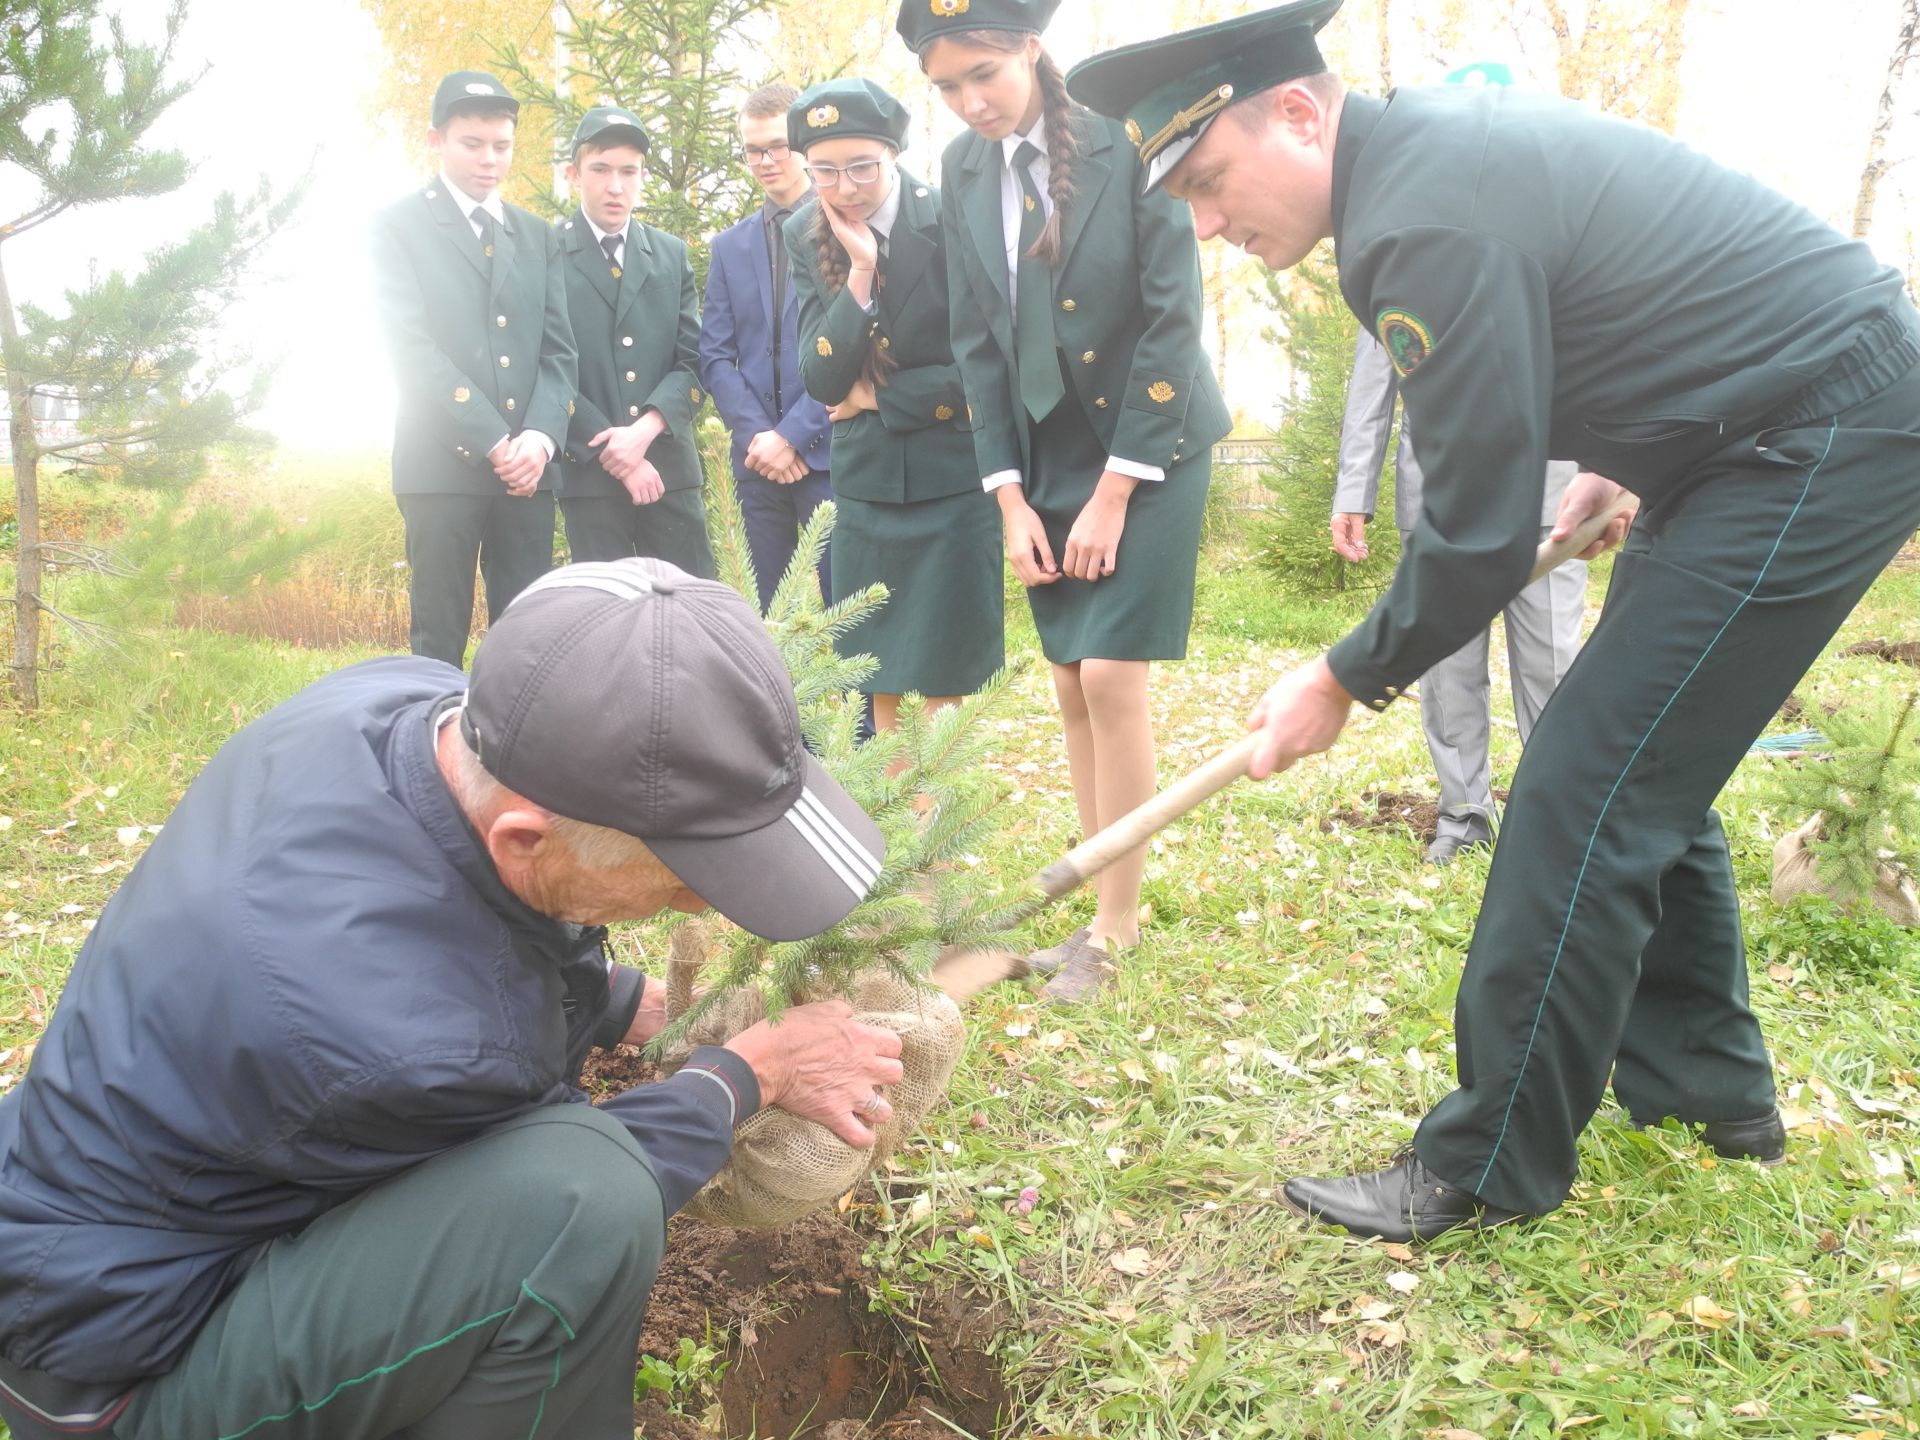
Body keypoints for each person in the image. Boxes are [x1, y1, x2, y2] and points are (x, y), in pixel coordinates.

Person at [1067, 0, 1920, 1242]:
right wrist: (1621, 456)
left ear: (1298, 114)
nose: (1205, 226)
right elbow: (1620, 291)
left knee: (1586, 786)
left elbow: (1468, 536)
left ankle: (1486, 1159)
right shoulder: (1422, 165)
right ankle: (1710, 1096)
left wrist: (1342, 675)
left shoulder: (1417, 215)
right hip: (1746, 433)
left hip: (1811, 436)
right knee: (1633, 763)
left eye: (1209, 181)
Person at [0, 558, 902, 1439]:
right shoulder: (412, 1043)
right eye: (678, 878)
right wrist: (748, 1075)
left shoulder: (401, 703)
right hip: (117, 1374)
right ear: (525, 834)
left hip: (82, 1222)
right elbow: (567, 1177)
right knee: (583, 1213)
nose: (699, 901)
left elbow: (485, 915)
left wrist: (639, 1005)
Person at [898, 0, 1232, 1003]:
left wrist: (1118, 490)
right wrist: (1008, 497)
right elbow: (976, 342)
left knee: (1114, 680)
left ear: (1032, 50)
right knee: (1068, 686)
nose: (968, 104)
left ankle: (1115, 928)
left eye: (983, 76)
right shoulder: (959, 173)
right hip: (1041, 463)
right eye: (947, 87)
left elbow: (1175, 320)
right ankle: (1096, 899)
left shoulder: (1125, 137)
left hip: (1148, 442)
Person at [783, 79, 1004, 738]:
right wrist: (859, 273)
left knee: (944, 672)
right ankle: (895, 837)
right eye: (824, 170)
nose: (845, 186)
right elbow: (822, 377)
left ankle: (932, 833)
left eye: (862, 166)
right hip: (870, 485)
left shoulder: (949, 215)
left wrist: (880, 395)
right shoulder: (806, 230)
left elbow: (986, 361)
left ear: (894, 155)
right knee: (875, 671)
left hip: (953, 477)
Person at [1333, 328, 1587, 864]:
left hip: (1546, 485)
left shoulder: (1547, 246)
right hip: (1437, 492)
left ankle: (1558, 817)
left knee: (1554, 665)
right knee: (1447, 671)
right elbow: (1374, 379)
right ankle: (1465, 814)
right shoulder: (1389, 253)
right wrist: (1354, 490)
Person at [372, 70, 576, 667]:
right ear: (435, 140)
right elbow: (410, 349)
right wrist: (494, 440)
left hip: (528, 476)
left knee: (526, 642)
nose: (490, 159)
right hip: (439, 468)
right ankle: (429, 759)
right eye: (473, 143)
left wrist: (537, 440)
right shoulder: (397, 226)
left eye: (502, 146)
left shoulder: (537, 235)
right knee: (437, 640)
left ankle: (512, 760)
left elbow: (559, 353)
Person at [553, 106, 716, 577]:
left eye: (628, 171)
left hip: (669, 472)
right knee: (607, 623)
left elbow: (693, 361)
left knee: (688, 612)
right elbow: (546, 367)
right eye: (600, 170)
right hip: (590, 478)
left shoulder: (669, 254)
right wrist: (618, 457)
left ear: (643, 175)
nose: (615, 186)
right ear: (574, 175)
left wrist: (643, 432)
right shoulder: (547, 254)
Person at [700, 83, 834, 614]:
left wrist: (795, 436)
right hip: (757, 464)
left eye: (778, 145)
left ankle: (865, 705)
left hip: (829, 456)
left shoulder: (843, 229)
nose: (766, 160)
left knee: (850, 614)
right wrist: (762, 438)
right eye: (753, 149)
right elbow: (714, 355)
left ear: (802, 142)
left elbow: (856, 348)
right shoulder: (729, 246)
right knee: (759, 620)